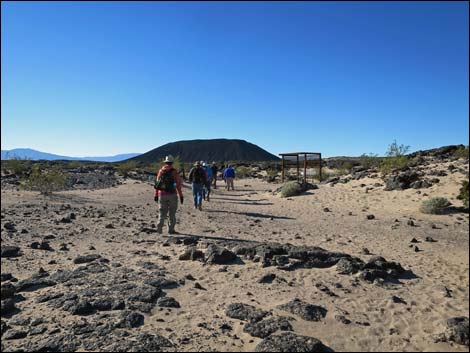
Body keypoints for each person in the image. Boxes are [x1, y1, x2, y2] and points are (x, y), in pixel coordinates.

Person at [154, 155, 184, 234]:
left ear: (166, 162)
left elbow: (157, 184)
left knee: (162, 212)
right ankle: (171, 230)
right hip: (172, 194)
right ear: (172, 163)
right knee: (172, 213)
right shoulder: (174, 171)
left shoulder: (161, 171)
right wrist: (181, 195)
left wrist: (156, 195)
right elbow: (178, 184)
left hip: (162, 194)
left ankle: (159, 227)